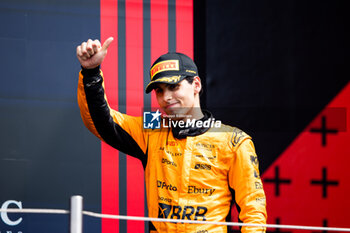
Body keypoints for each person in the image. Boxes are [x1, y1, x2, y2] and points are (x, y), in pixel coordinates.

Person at [76, 37, 267, 233]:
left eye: (174, 87)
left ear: (196, 85)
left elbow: (253, 211)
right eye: (160, 90)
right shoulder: (153, 128)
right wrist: (91, 73)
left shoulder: (233, 140)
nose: (166, 97)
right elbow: (102, 122)